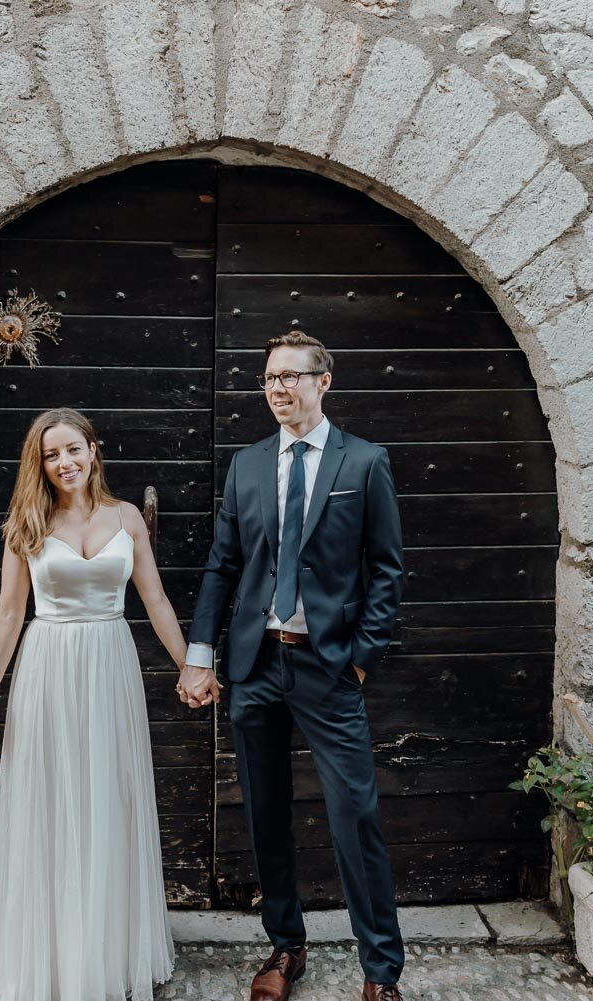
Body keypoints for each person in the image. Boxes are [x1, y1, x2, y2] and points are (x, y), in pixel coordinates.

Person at [180, 331, 408, 1001]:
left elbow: (387, 570)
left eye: (292, 376)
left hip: (328, 667)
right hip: (255, 668)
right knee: (266, 813)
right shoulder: (247, 465)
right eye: (270, 378)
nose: (279, 388)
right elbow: (223, 565)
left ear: (324, 381)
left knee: (354, 815)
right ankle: (286, 946)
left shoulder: (363, 463)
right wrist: (201, 655)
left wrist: (359, 660)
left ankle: (381, 972)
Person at [0, 407, 219, 1001]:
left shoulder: (127, 517)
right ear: (40, 464)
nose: (64, 463)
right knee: (51, 797)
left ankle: (109, 946)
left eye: (72, 449)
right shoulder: (26, 521)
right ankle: (50, 955)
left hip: (110, 664)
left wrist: (190, 666)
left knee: (108, 795)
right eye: (51, 455)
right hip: (48, 666)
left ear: (93, 450)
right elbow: (8, 613)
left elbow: (154, 599)